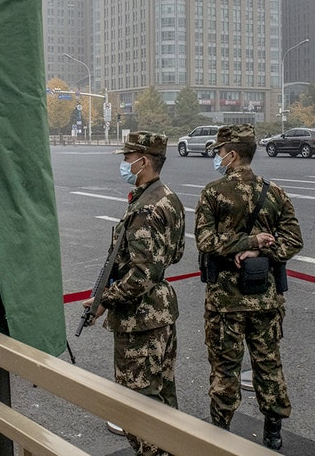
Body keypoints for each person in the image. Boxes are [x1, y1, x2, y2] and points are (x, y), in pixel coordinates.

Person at [194, 124, 304, 451]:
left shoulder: (214, 192)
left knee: (225, 367)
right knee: (268, 362)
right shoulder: (274, 193)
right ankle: (273, 432)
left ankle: (221, 430)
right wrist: (261, 247)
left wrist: (248, 243)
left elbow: (205, 241)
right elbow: (294, 240)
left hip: (225, 301)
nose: (217, 157)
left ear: (232, 154)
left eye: (219, 152)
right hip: (265, 297)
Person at [82, 131, 186, 456]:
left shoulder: (146, 209)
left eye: (128, 158)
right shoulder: (167, 197)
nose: (124, 164)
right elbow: (176, 254)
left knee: (137, 412)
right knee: (164, 405)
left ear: (143, 161)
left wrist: (105, 300)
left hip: (139, 323)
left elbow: (140, 275)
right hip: (162, 313)